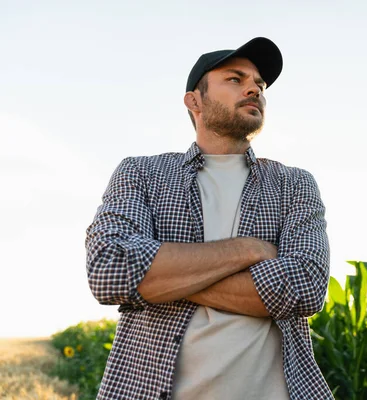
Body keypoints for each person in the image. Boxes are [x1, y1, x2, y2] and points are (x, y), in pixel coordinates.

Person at [85, 37, 332, 399]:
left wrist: (160, 281)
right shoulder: (142, 173)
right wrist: (249, 250)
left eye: (260, 85)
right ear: (194, 100)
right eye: (235, 79)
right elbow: (110, 269)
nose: (254, 88)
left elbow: (305, 287)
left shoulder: (293, 184)